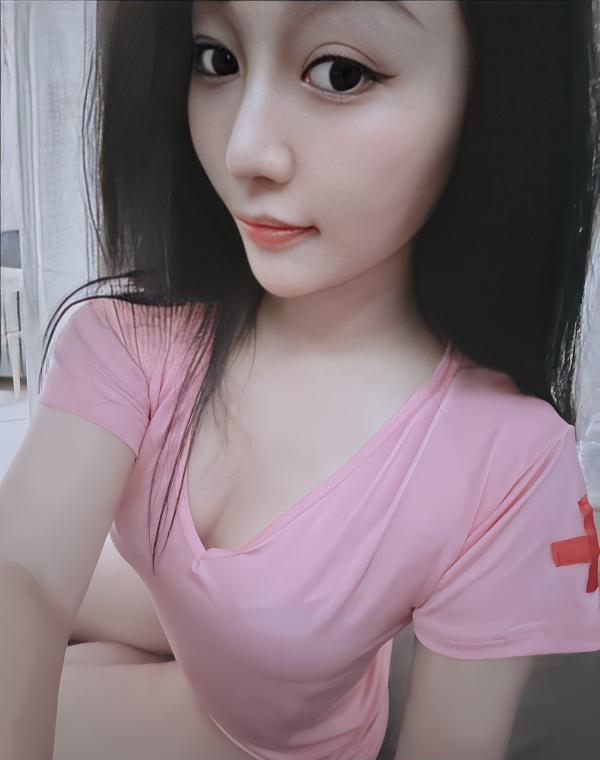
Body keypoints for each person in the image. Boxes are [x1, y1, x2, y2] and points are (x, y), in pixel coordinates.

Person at [1, 2, 598, 760]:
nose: (244, 151)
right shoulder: (131, 336)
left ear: (488, 99)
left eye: (340, 72)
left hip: (271, 738)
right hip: (181, 622)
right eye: (216, 59)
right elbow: (24, 570)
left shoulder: (508, 459)